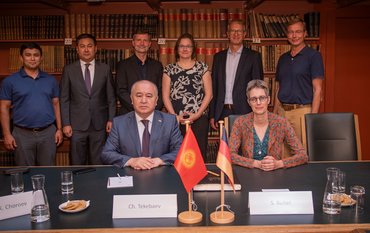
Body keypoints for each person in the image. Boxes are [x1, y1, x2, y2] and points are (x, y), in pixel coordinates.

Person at [0, 42, 63, 166]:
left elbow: (56, 104)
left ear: (41, 57)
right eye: (28, 55)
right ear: (21, 58)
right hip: (22, 134)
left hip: (48, 133)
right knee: (25, 173)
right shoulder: (10, 81)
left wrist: (59, 129)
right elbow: (4, 108)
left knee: (48, 171)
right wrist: (7, 134)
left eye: (36, 55)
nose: (32, 58)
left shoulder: (50, 80)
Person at [60, 33, 116, 165]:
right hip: (76, 125)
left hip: (99, 124)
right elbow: (64, 98)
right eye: (82, 46)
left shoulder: (105, 69)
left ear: (95, 48)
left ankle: (97, 185)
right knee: (77, 161)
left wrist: (111, 119)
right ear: (77, 49)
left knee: (98, 161)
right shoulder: (68, 70)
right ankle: (78, 185)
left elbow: (111, 97)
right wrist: (66, 123)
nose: (86, 49)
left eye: (90, 46)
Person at [101, 80, 183, 170]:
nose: (143, 101)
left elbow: (181, 151)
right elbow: (107, 153)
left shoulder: (170, 121)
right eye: (139, 96)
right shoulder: (119, 123)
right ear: (132, 99)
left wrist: (160, 160)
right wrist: (131, 161)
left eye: (149, 96)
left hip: (161, 175)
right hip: (130, 175)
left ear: (156, 100)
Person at [229, 80, 308, 171]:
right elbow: (230, 155)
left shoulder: (281, 123)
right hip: (249, 175)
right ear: (249, 102)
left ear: (268, 99)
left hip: (275, 176)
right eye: (253, 99)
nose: (258, 103)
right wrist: (255, 163)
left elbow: (303, 156)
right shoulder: (240, 123)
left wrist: (279, 164)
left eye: (262, 98)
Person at [273, 17, 324, 145]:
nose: (294, 35)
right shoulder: (283, 59)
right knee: (282, 155)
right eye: (291, 32)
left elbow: (318, 89)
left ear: (305, 33)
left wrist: (312, 118)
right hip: (282, 112)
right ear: (287, 35)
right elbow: (279, 88)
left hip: (302, 112)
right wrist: (274, 114)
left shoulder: (313, 56)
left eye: (298, 32)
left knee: (302, 154)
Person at [162, 33, 212, 160]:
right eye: (182, 46)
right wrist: (174, 117)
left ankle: (199, 179)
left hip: (199, 119)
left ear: (193, 49)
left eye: (188, 46)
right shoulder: (169, 69)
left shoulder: (203, 68)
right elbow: (165, 96)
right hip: (176, 119)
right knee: (178, 154)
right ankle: (176, 180)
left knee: (198, 154)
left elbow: (209, 95)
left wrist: (198, 114)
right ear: (177, 49)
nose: (185, 49)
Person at [209, 19, 263, 131]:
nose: (236, 34)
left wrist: (257, 113)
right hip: (222, 112)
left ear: (244, 34)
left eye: (239, 31)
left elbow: (258, 88)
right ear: (228, 34)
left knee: (246, 148)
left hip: (246, 111)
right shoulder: (218, 57)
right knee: (225, 147)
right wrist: (212, 114)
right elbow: (214, 87)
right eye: (233, 31)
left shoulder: (254, 57)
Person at [116, 30, 163, 115]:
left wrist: (151, 109)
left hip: (153, 114)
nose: (142, 43)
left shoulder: (158, 66)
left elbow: (161, 91)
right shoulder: (123, 65)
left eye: (145, 40)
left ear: (149, 44)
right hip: (129, 113)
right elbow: (121, 91)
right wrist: (138, 108)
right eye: (138, 40)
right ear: (133, 43)